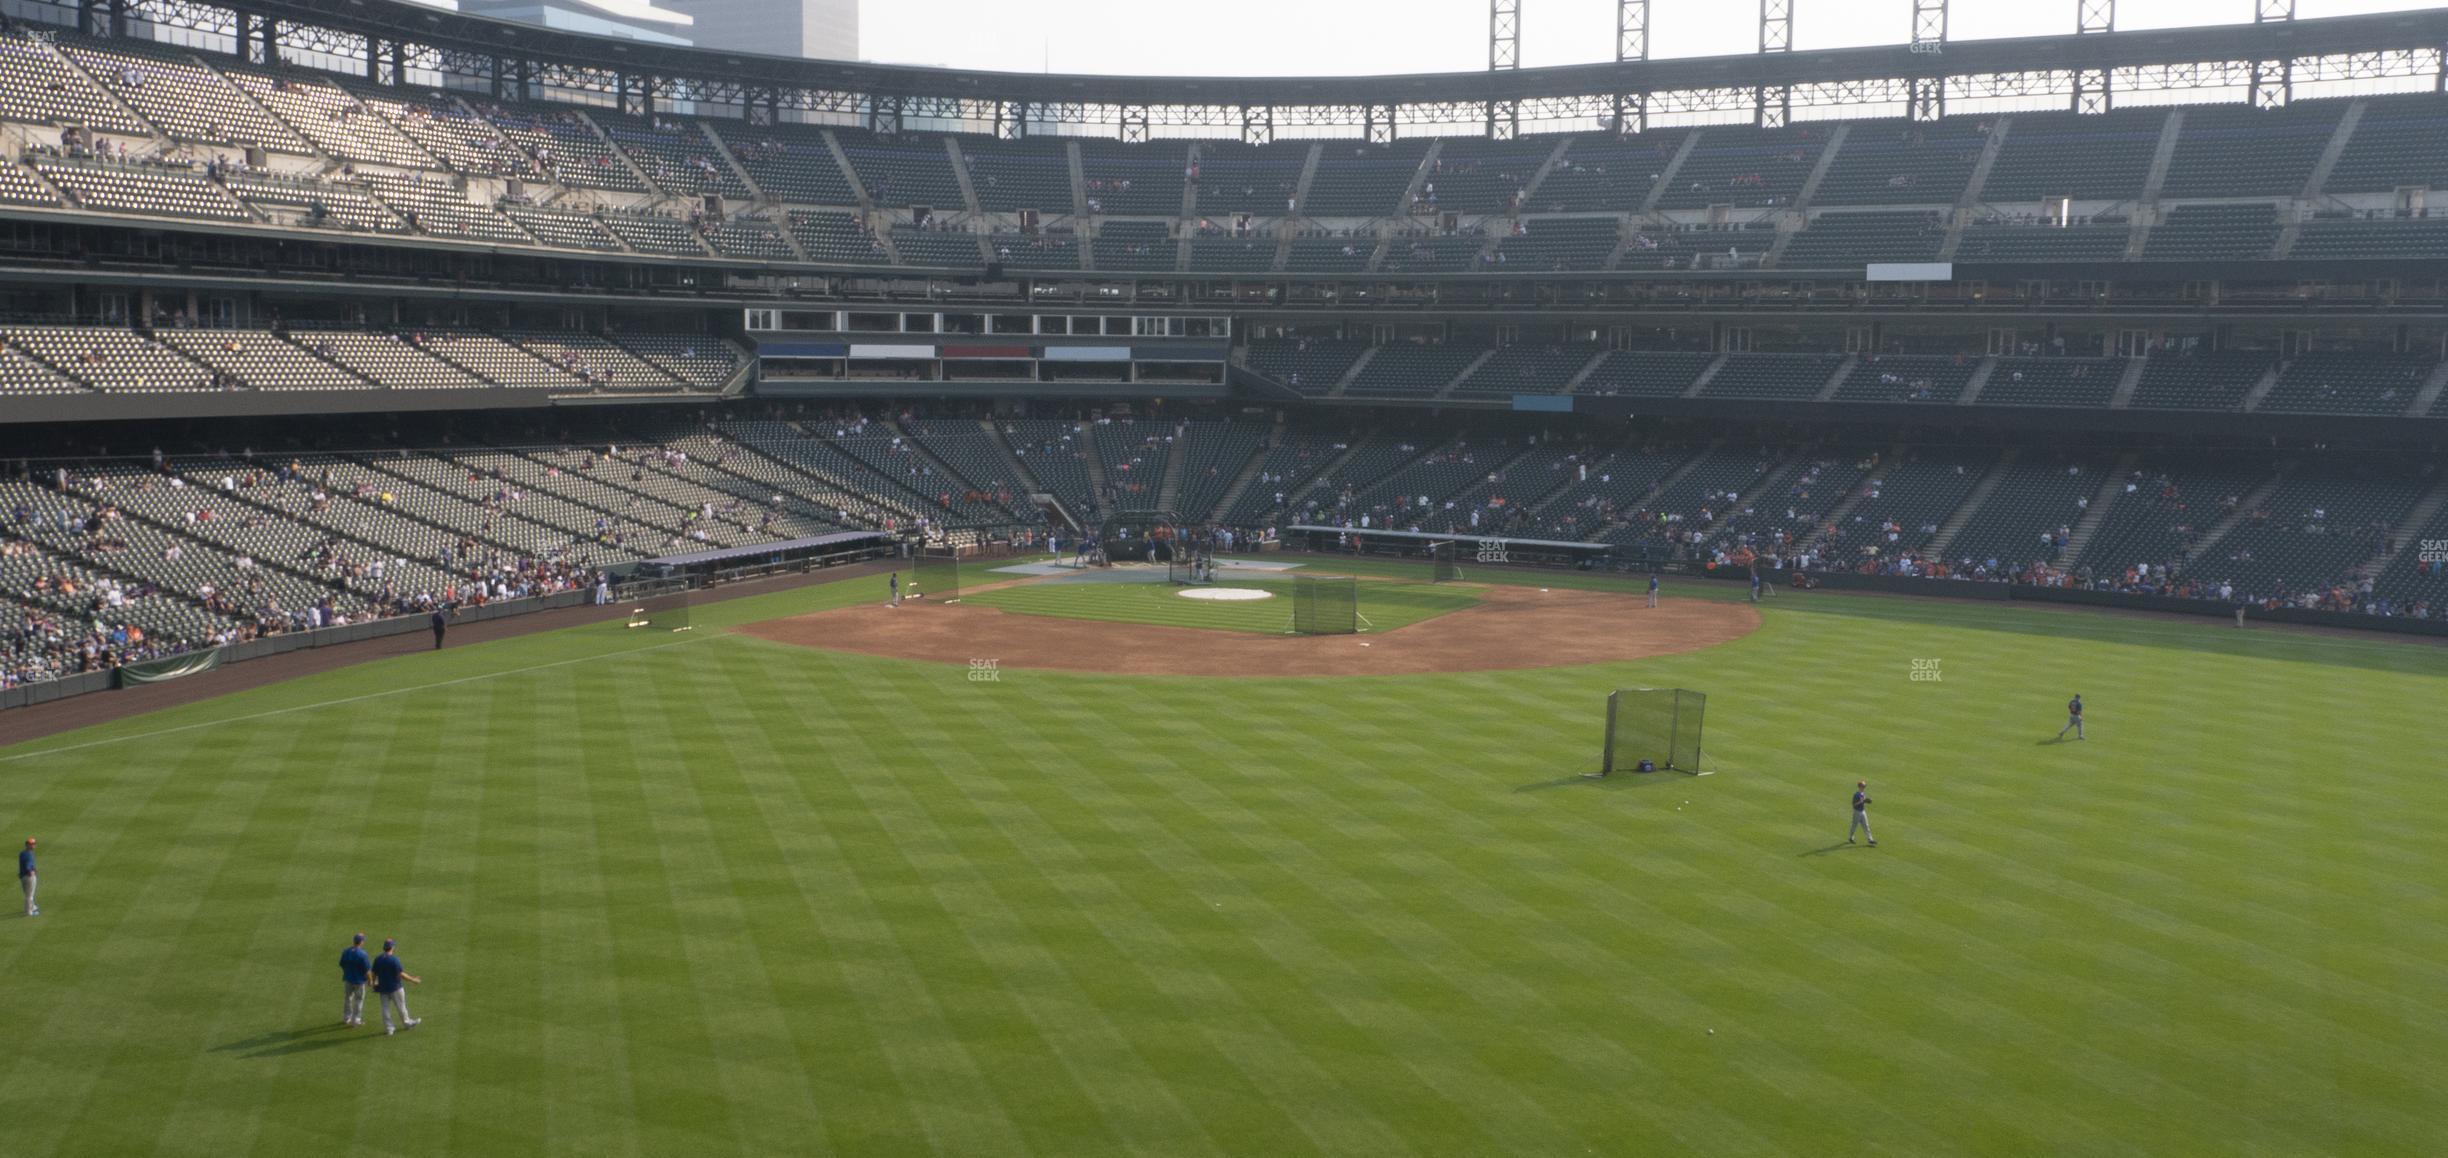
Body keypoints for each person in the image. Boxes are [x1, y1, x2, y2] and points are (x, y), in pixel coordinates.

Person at [371, 937, 421, 1034]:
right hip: (395, 988)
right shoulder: (394, 960)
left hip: (383, 988)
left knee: (385, 1009)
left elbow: (374, 973)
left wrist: (374, 983)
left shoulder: (378, 959)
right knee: (401, 1007)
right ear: (392, 947)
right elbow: (401, 974)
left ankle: (389, 1029)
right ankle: (407, 1023)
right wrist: (413, 979)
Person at [339, 933, 372, 1027]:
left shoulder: (346, 951)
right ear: (361, 942)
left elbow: (342, 964)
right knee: (358, 1000)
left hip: (348, 979)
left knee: (348, 998)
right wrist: (370, 980)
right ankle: (356, 1020)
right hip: (359, 982)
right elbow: (367, 970)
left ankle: (346, 1018)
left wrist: (348, 972)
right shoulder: (363, 954)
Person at [1848, 781, 1876, 847]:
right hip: (1857, 812)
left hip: (1863, 811)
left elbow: (1863, 801)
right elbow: (1854, 805)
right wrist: (1862, 801)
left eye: (1865, 786)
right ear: (1860, 787)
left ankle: (1870, 839)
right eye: (1863, 786)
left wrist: (1866, 801)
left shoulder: (1862, 793)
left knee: (1866, 826)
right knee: (1854, 826)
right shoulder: (1856, 795)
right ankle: (1851, 837)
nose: (1864, 787)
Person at [17, 837, 35, 917]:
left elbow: (23, 864)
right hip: (28, 877)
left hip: (22, 877)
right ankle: (29, 912)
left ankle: (33, 907)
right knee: (30, 895)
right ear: (27, 845)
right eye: (31, 844)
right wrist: (31, 872)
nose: (32, 845)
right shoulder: (29, 855)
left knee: (27, 894)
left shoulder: (22, 853)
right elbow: (28, 866)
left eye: (33, 844)